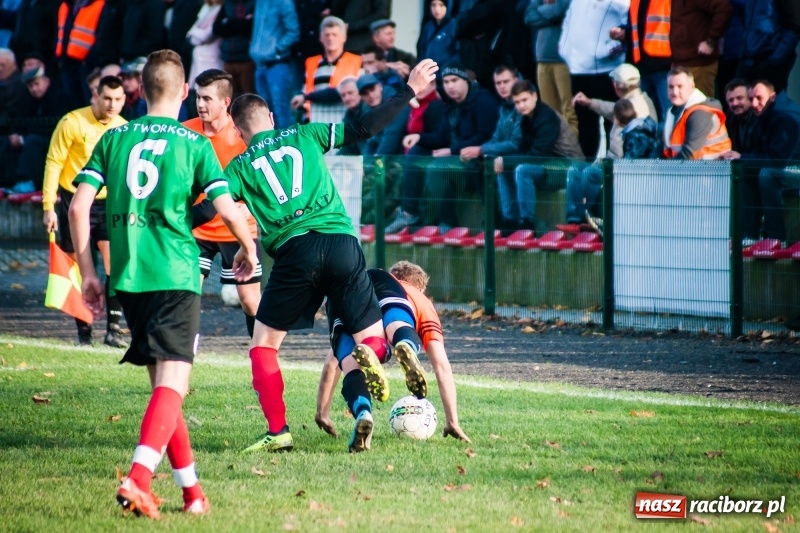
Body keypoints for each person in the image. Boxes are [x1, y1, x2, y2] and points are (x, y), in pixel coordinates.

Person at [68, 49, 258, 519]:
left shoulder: (114, 137)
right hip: (175, 273)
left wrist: (89, 274)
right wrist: (249, 249)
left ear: (141, 89)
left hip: (128, 277)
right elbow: (227, 208)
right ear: (183, 91)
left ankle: (193, 494)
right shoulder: (194, 144)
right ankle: (138, 479)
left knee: (165, 388)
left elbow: (77, 208)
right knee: (174, 384)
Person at [223, 58, 439, 454]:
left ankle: (278, 431)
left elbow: (213, 207)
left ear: (237, 131)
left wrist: (239, 242)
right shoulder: (305, 133)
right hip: (341, 243)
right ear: (271, 117)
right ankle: (375, 369)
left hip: (295, 253)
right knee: (368, 339)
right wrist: (409, 89)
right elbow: (364, 127)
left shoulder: (238, 166)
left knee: (263, 346)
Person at [315, 261, 471, 443]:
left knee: (349, 361)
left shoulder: (380, 278)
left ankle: (364, 414)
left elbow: (331, 365)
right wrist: (452, 420)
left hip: (350, 288)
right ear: (421, 289)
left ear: (395, 276)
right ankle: (406, 344)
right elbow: (441, 366)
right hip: (385, 287)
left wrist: (322, 412)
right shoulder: (421, 300)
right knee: (397, 324)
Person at [42, 75, 128, 347]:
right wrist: (48, 206)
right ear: (96, 96)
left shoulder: (123, 128)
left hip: (108, 202)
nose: (112, 104)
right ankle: (84, 333)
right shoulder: (72, 121)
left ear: (124, 100)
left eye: (118, 99)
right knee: (79, 267)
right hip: (74, 201)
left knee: (114, 263)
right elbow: (54, 162)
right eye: (107, 98)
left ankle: (113, 329)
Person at [184, 69, 262, 337]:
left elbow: (261, 180)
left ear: (225, 102)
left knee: (250, 302)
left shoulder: (242, 135)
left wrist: (249, 206)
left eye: (207, 98)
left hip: (238, 230)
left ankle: (261, 354)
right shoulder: (185, 132)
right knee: (188, 295)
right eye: (197, 97)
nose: (200, 104)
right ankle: (184, 355)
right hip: (197, 230)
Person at [495, 80, 584, 233]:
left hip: (567, 166)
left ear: (535, 96)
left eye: (524, 100)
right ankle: (510, 220)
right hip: (548, 163)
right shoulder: (526, 117)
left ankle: (527, 222)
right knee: (503, 168)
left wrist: (506, 160)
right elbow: (524, 149)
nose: (521, 105)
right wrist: (502, 160)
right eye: (517, 102)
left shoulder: (547, 117)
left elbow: (537, 155)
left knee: (522, 169)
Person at [720, 81, 800, 243]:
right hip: (786, 166)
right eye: (752, 99)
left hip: (794, 167)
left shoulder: (785, 117)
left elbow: (778, 161)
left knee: (767, 175)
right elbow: (762, 155)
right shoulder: (763, 116)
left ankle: (775, 238)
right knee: (747, 171)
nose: (754, 104)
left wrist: (741, 157)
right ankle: (749, 236)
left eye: (759, 98)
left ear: (772, 97)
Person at [290, 15, 362, 124]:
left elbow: (347, 92)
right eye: (327, 35)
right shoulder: (311, 63)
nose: (330, 38)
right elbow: (305, 90)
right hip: (316, 119)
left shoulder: (356, 61)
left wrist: (306, 97)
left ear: (344, 37)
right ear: (321, 37)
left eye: (334, 35)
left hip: (344, 119)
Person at [525, 0, 578, 135]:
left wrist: (541, 9)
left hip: (563, 59)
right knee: (549, 110)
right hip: (541, 58)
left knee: (568, 109)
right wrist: (550, 14)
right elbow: (528, 16)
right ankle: (555, 144)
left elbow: (560, 10)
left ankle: (571, 146)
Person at [249, 0, 299, 129]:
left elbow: (293, 31)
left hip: (277, 65)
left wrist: (276, 49)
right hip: (259, 65)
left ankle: (287, 141)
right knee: (265, 112)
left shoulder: (284, 2)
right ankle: (271, 141)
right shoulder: (259, 2)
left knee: (281, 111)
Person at [663, 67, 731, 160]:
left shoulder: (700, 113)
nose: (675, 92)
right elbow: (663, 147)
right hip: (689, 167)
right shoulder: (674, 111)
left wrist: (661, 167)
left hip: (712, 167)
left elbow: (689, 155)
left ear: (692, 87)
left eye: (680, 86)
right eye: (671, 87)